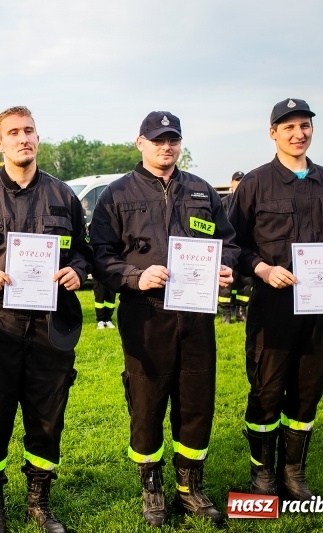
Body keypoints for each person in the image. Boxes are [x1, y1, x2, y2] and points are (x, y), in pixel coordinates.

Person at [0, 106, 91, 533]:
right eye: (13, 132)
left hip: (50, 327)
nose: (23, 138)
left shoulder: (64, 196)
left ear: (38, 138)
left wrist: (77, 269)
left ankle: (39, 500)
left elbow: (84, 250)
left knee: (47, 416)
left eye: (29, 131)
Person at [90, 111, 237, 527]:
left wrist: (225, 266)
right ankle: (151, 488)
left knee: (196, 401)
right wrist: (136, 277)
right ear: (141, 143)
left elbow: (228, 243)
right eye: (157, 140)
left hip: (195, 317)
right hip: (145, 315)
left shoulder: (203, 191)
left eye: (173, 139)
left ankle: (191, 488)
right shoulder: (116, 195)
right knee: (147, 402)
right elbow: (101, 257)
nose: (166, 146)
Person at [229, 99, 323, 502]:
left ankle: (293, 471)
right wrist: (263, 269)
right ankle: (263, 474)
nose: (298, 133)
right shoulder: (255, 183)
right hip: (273, 308)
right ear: (273, 133)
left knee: (307, 391)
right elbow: (235, 245)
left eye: (304, 126)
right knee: (267, 391)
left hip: (319, 310)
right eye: (288, 128)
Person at [218, 171, 253, 323]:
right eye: (237, 180)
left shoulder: (251, 201)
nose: (239, 183)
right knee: (226, 282)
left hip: (245, 248)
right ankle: (226, 313)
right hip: (227, 249)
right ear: (231, 182)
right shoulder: (223, 202)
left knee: (246, 282)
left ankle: (241, 311)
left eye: (242, 180)